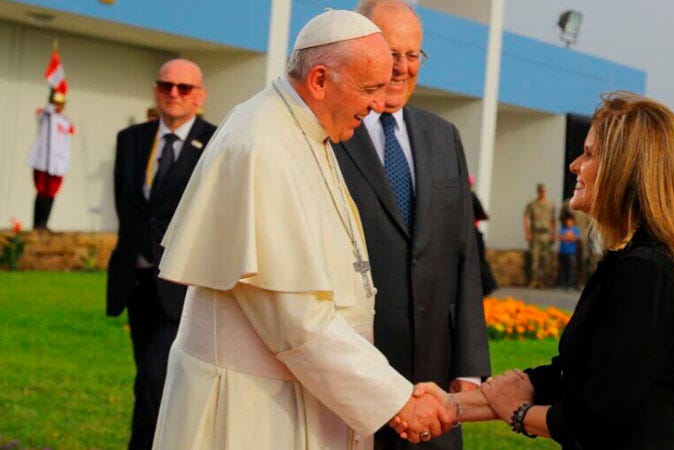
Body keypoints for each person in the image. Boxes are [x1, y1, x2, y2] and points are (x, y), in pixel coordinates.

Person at [151, 10, 452, 449]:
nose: (375, 105)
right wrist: (396, 399)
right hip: (249, 407)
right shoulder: (262, 146)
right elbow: (296, 321)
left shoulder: (304, 127)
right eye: (368, 89)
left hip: (297, 393)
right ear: (319, 80)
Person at [405, 92, 674, 450]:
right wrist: (452, 405)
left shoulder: (648, 273)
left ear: (624, 168)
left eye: (588, 154)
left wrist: (518, 414)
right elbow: (569, 376)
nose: (574, 164)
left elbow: (596, 416)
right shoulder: (628, 262)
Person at [330, 2, 490, 448]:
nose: (401, 68)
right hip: (351, 386)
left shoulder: (444, 136)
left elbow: (464, 256)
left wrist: (469, 369)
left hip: (435, 391)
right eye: (389, 53)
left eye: (412, 55)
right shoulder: (331, 134)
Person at [105, 58, 217, 450]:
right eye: (166, 85)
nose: (173, 93)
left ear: (199, 96)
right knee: (149, 379)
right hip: (135, 284)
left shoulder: (215, 143)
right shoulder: (130, 139)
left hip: (181, 287)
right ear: (156, 89)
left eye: (184, 88)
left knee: (153, 377)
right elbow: (128, 205)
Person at [26, 88, 74, 230]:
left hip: (57, 164)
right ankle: (37, 224)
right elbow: (45, 113)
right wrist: (53, 92)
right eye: (55, 103)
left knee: (51, 193)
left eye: (61, 104)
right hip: (43, 162)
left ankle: (44, 223)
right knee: (41, 191)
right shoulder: (46, 116)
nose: (58, 106)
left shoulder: (65, 122)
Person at [524, 183, 556, 288]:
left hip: (546, 234)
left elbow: (553, 221)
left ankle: (544, 282)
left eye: (543, 191)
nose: (542, 193)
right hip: (535, 234)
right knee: (534, 258)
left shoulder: (550, 204)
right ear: (537, 191)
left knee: (546, 259)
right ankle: (533, 281)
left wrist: (553, 234)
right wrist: (527, 233)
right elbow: (527, 219)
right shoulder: (532, 204)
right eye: (540, 191)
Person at [470, 176, 498, 296]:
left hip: (460, 234)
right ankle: (487, 287)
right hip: (473, 234)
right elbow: (482, 214)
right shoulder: (471, 196)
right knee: (479, 260)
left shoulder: (458, 196)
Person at [556, 213, 579, 289]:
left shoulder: (575, 229)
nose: (568, 222)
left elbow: (575, 238)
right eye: (567, 221)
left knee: (571, 269)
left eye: (570, 221)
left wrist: (566, 237)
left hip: (571, 252)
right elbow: (559, 237)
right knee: (562, 268)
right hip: (563, 252)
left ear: (573, 221)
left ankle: (570, 284)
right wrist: (568, 237)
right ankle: (562, 283)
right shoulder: (563, 229)